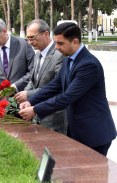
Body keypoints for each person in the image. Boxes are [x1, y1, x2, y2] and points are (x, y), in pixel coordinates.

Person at [19, 22, 116, 156]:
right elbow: (54, 85)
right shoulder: (69, 60)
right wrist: (31, 101)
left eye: (60, 43)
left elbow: (67, 97)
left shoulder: (88, 65)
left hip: (93, 132)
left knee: (89, 175)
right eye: (56, 43)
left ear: (75, 41)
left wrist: (35, 110)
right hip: (77, 129)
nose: (57, 47)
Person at [14, 19, 67, 134]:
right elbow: (33, 80)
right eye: (27, 38)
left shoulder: (60, 55)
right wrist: (25, 98)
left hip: (54, 117)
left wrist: (28, 94)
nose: (29, 42)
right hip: (37, 115)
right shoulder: (38, 54)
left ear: (46, 34)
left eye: (32, 38)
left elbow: (58, 87)